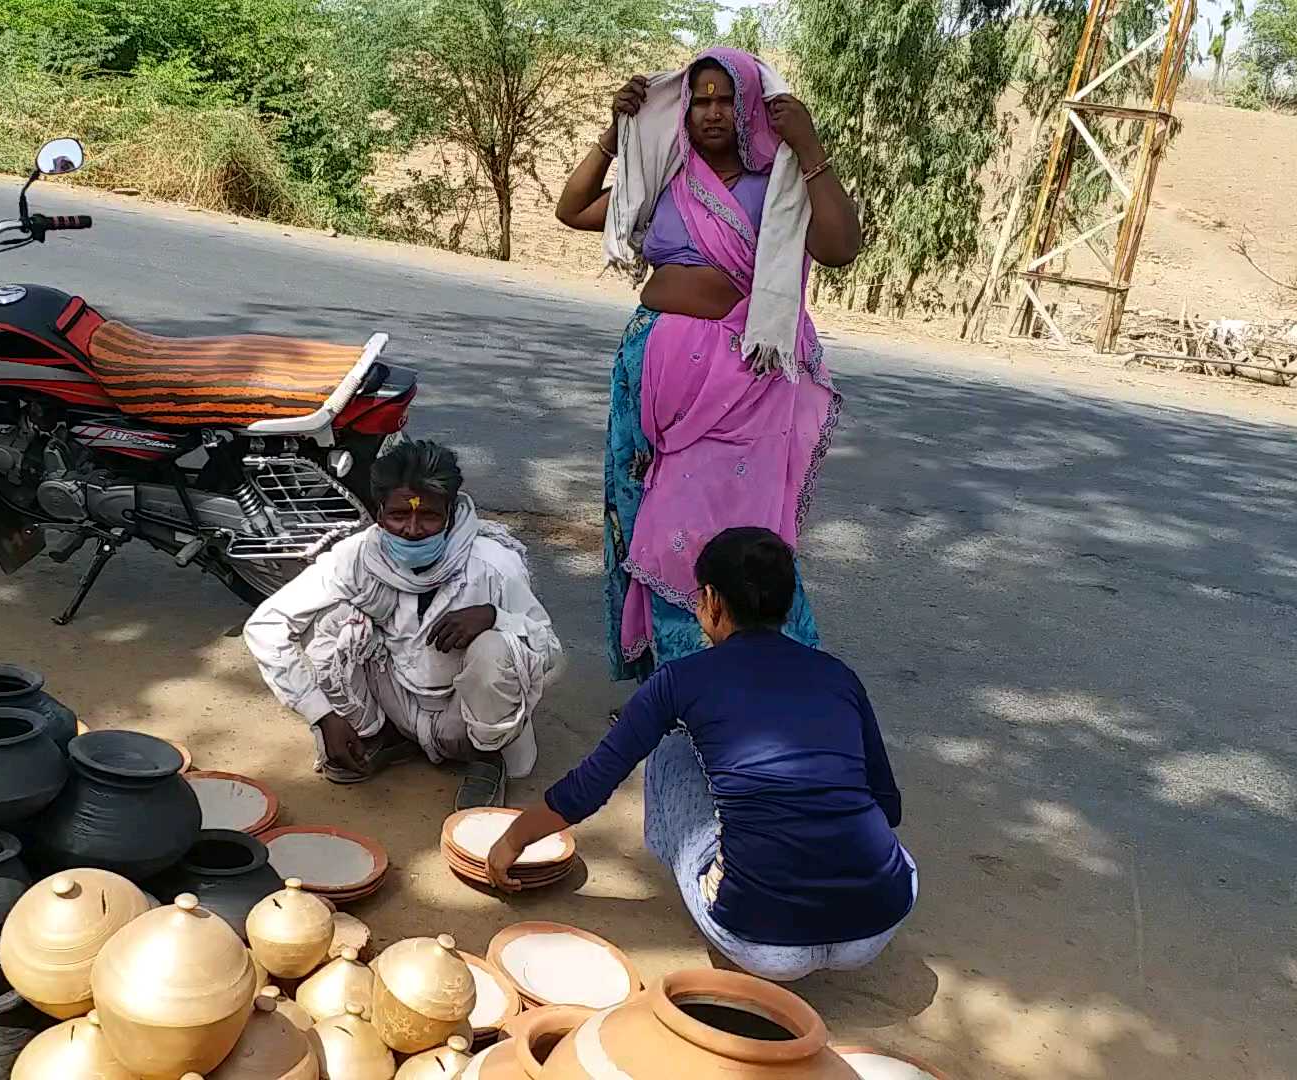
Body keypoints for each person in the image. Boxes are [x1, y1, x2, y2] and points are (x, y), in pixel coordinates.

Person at [555, 47, 862, 681]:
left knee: (729, 537)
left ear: (751, 106)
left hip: (742, 389)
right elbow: (574, 208)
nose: (713, 111)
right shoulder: (667, 178)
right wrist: (615, 136)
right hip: (651, 373)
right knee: (643, 511)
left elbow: (839, 246)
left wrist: (809, 147)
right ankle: (671, 685)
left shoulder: (778, 185)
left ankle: (753, 684)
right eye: (701, 99)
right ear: (685, 109)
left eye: (726, 98)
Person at [487, 528, 915, 982]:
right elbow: (887, 805)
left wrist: (513, 839)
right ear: (787, 603)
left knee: (673, 749)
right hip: (877, 922)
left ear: (710, 599)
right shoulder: (839, 676)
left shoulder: (681, 679)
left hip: (756, 939)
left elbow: (592, 784)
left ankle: (722, 885)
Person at [244, 440, 562, 809]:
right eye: (399, 516)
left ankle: (486, 761)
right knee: (334, 620)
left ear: (451, 513)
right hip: (399, 703)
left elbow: (550, 650)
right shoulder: (359, 557)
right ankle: (380, 734)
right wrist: (323, 715)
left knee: (497, 646)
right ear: (379, 513)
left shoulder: (492, 564)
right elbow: (266, 624)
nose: (412, 530)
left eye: (428, 516)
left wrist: (495, 618)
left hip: (465, 719)